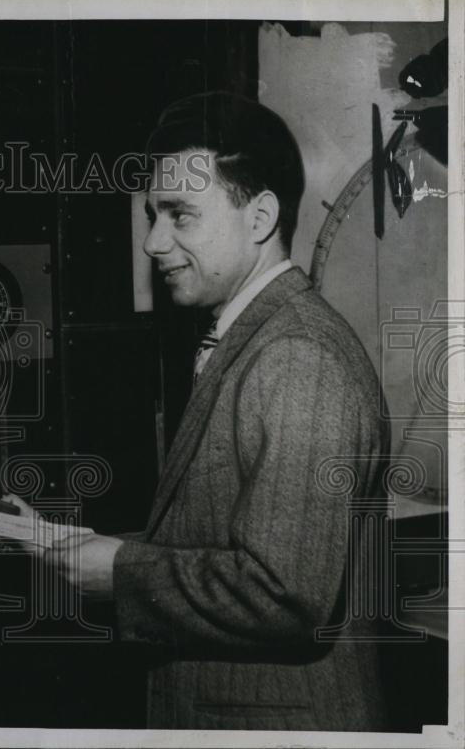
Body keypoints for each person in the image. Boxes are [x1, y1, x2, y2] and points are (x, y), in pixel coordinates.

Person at [40, 92, 390, 731]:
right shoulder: (253, 338)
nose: (152, 241)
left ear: (258, 218)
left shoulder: (296, 358)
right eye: (152, 214)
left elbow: (283, 596)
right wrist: (111, 549)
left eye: (179, 214)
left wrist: (121, 572)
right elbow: (225, 543)